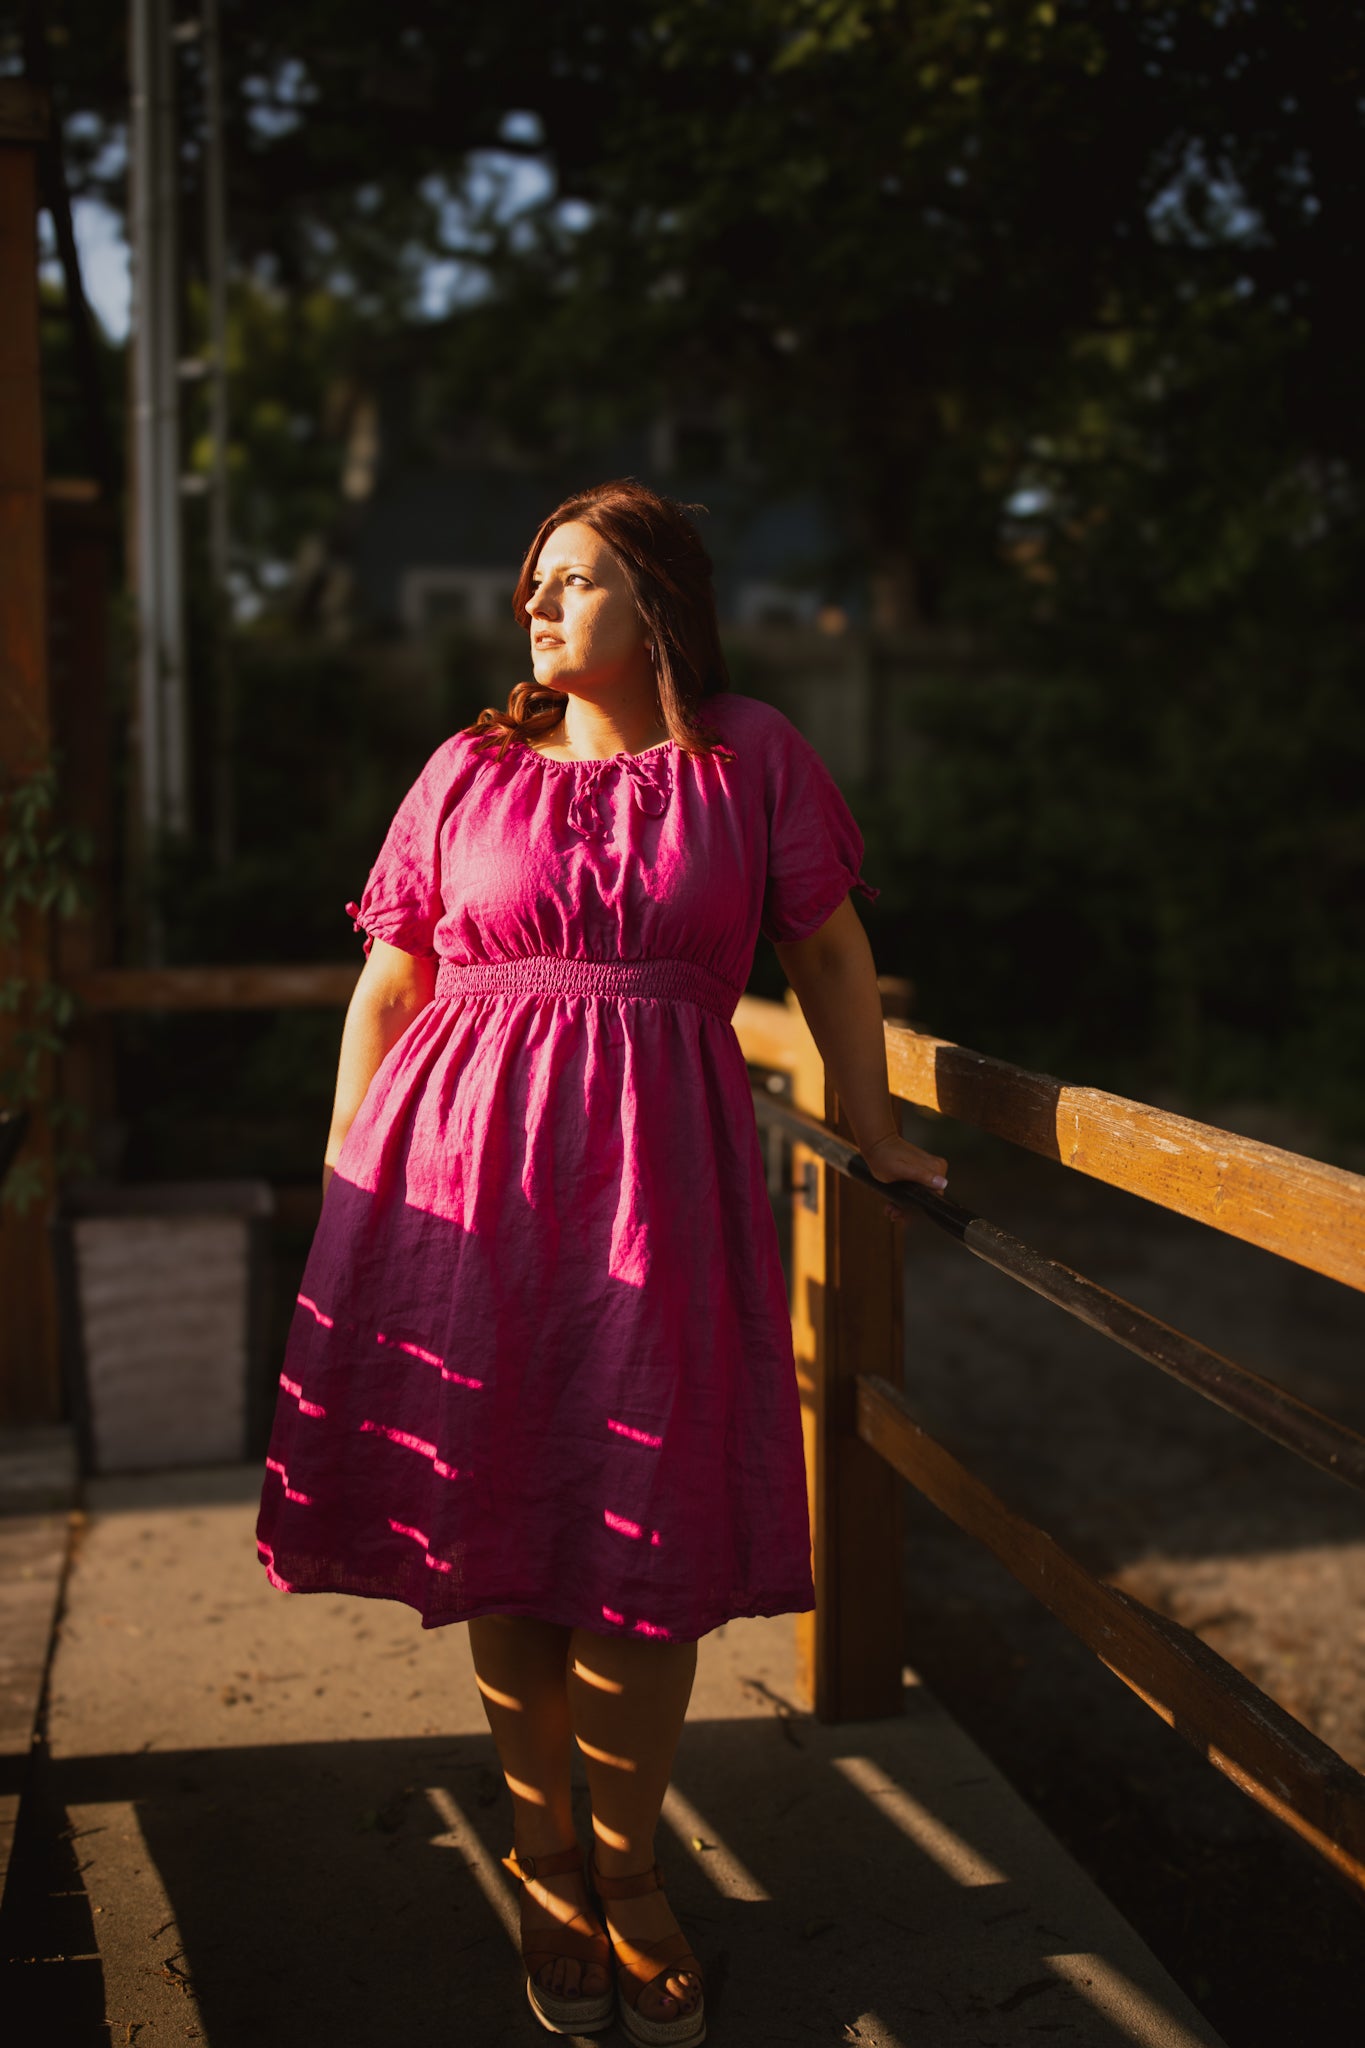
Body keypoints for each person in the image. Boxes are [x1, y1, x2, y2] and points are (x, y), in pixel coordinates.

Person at [256, 479, 947, 2043]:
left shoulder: (748, 756)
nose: (535, 608)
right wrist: (351, 1178)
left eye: (569, 580)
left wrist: (873, 1133)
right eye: (530, 586)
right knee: (503, 1516)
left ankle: (631, 1869)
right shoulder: (466, 767)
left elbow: (826, 952)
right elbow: (389, 986)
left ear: (656, 603)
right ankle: (546, 1850)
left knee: (637, 1542)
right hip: (461, 1188)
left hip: (661, 1191)